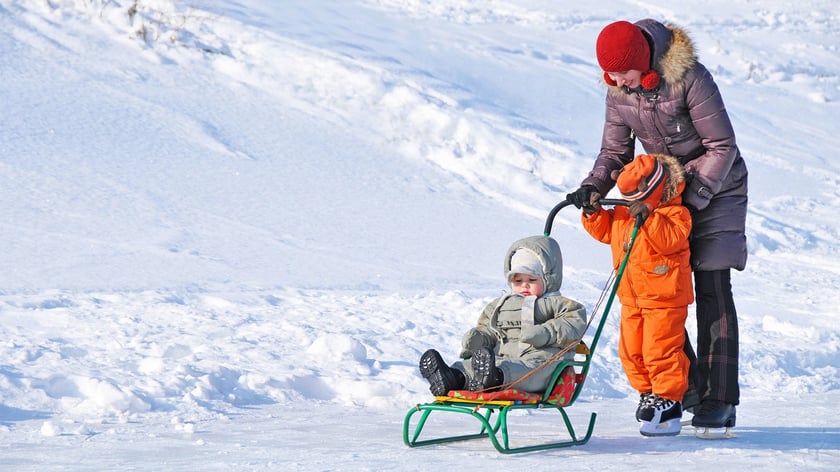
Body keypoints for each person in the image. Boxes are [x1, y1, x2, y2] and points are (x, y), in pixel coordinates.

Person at [567, 19, 747, 432]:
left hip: (715, 189)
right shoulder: (619, 90)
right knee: (659, 290)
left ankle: (719, 399)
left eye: (625, 75)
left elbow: (722, 146)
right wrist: (592, 187)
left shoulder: (689, 78)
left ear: (642, 59)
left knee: (711, 287)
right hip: (660, 196)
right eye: (612, 78)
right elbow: (614, 151)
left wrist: (688, 192)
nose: (620, 84)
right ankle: (687, 392)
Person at [580, 153, 693, 436]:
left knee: (661, 350)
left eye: (634, 196)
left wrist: (650, 217)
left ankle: (668, 400)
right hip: (631, 297)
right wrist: (592, 213)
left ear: (652, 188)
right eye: (625, 196)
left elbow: (669, 241)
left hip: (664, 298)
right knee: (631, 352)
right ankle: (648, 393)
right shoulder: (623, 211)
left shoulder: (675, 213)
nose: (627, 202)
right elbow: (607, 232)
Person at [418, 235, 587, 396]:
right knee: (476, 365)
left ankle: (495, 377)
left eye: (532, 280)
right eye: (518, 281)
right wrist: (479, 338)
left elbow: (574, 323)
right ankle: (454, 377)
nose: (524, 286)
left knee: (530, 370)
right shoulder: (500, 304)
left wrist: (545, 332)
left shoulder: (557, 303)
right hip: (500, 359)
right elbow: (490, 329)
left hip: (541, 361)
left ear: (548, 278)